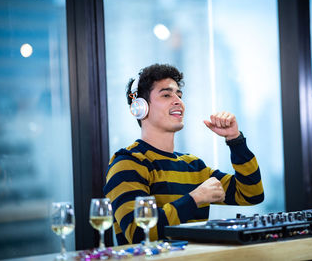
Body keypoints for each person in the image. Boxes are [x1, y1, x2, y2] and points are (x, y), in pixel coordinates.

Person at [103, 63, 264, 245]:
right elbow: (139, 232)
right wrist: (195, 199)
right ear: (140, 107)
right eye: (166, 95)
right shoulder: (127, 163)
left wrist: (235, 140)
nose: (178, 101)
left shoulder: (193, 166)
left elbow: (251, 193)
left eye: (179, 95)